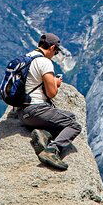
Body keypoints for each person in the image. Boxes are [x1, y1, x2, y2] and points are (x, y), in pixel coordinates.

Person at [17, 33, 82, 170]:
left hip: (22, 114)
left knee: (68, 117)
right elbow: (51, 93)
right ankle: (51, 151)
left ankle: (44, 133)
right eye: (56, 51)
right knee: (74, 125)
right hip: (36, 110)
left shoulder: (26, 58)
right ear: (52, 47)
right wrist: (56, 83)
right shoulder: (45, 62)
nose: (55, 54)